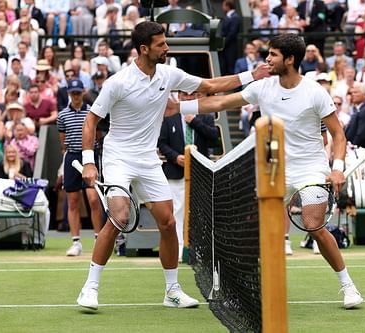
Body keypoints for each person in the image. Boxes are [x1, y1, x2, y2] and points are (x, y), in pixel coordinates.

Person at [76, 21, 270, 310]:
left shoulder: (169, 74)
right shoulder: (117, 82)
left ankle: (172, 291)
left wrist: (251, 75)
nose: (166, 48)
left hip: (149, 159)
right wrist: (89, 162)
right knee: (118, 216)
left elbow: (208, 86)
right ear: (144, 49)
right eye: (161, 44)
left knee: (168, 222)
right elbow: (91, 119)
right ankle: (90, 287)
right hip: (118, 157)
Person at [167, 33, 363, 309]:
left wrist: (338, 168)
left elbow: (338, 135)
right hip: (275, 172)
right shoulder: (264, 87)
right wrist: (179, 108)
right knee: (248, 230)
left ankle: (348, 286)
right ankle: (243, 290)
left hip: (311, 170)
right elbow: (222, 103)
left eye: (273, 55)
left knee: (314, 225)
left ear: (290, 60)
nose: (267, 59)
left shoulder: (315, 92)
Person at [158, 90, 219, 262]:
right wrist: (176, 158)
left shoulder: (205, 116)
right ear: (179, 96)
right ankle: (177, 249)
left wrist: (194, 121)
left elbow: (214, 138)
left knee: (200, 212)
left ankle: (198, 249)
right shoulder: (170, 117)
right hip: (176, 173)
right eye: (185, 94)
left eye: (192, 95)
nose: (188, 97)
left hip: (200, 173)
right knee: (176, 212)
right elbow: (161, 142)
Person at [57, 79, 103, 257]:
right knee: (73, 201)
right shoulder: (62, 115)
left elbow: (97, 135)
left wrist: (91, 153)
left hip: (89, 156)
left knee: (93, 199)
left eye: (78, 93)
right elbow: (63, 140)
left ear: (83, 92)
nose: (76, 96)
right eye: (73, 93)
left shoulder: (92, 111)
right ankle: (76, 242)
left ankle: (99, 239)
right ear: (69, 94)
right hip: (72, 157)